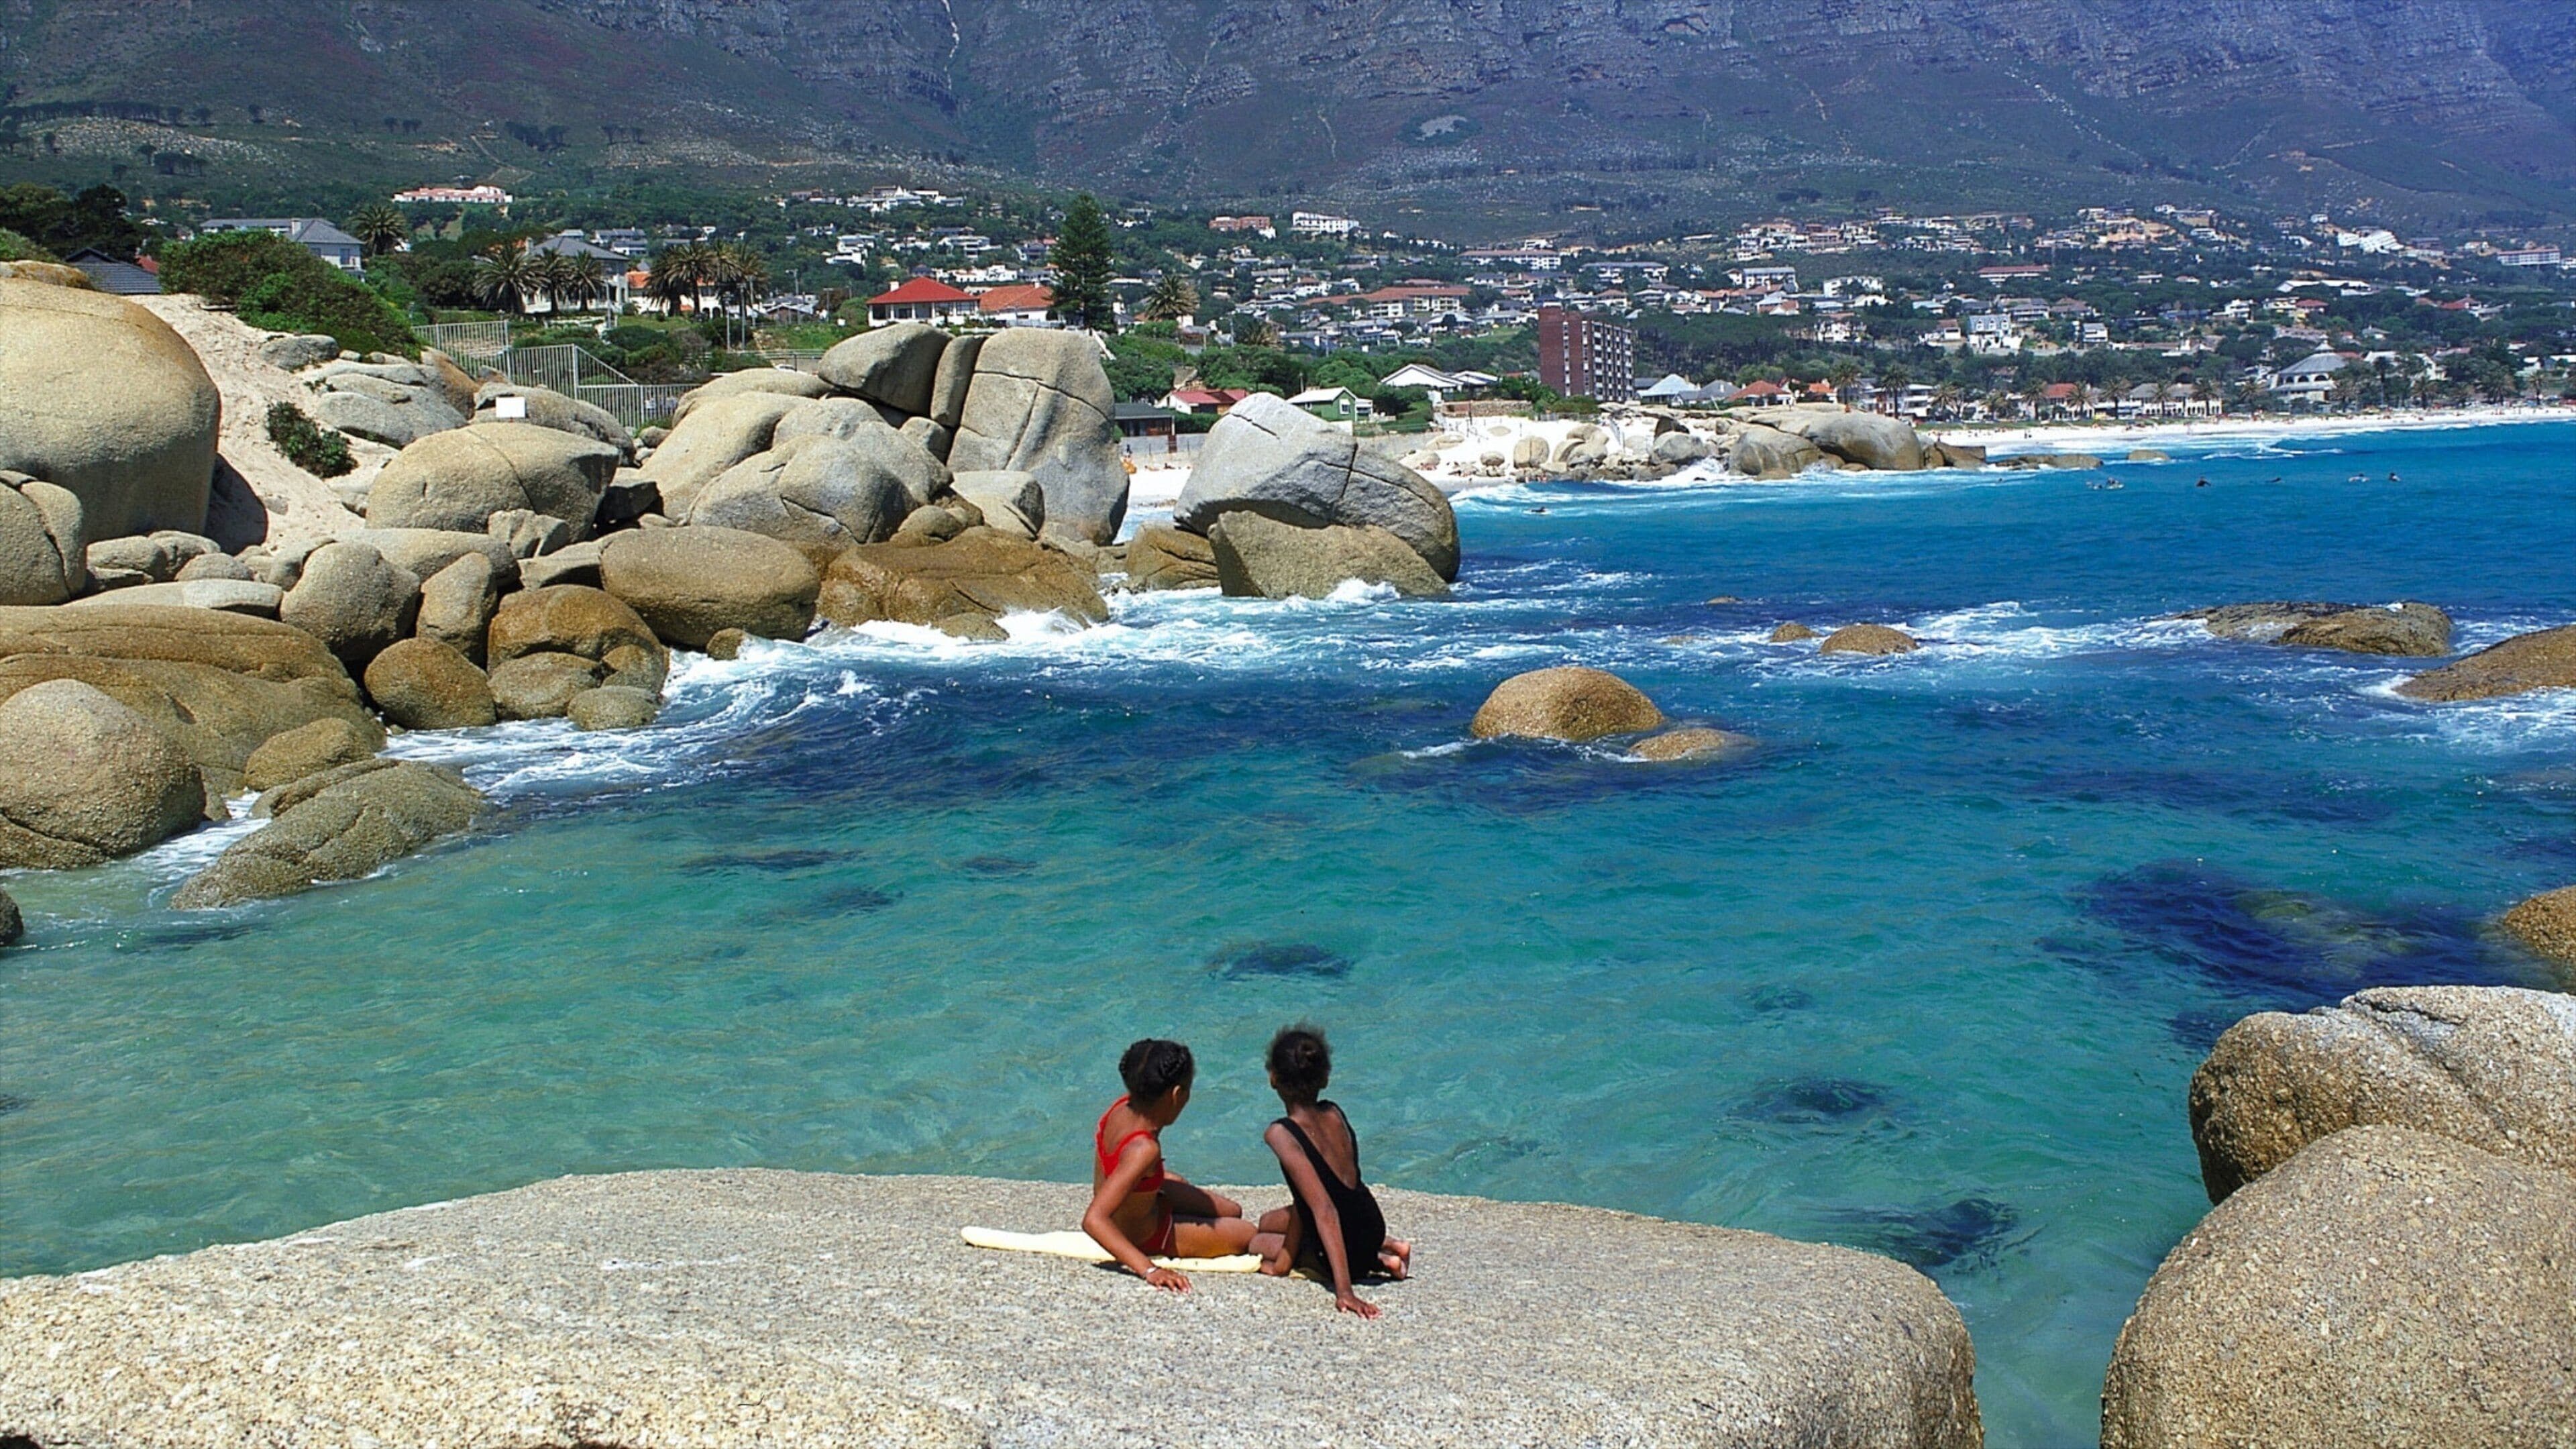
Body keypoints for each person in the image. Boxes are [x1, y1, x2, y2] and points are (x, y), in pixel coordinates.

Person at [1250, 1025, 1411, 1317]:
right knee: (1266, 1220)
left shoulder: (1280, 1134)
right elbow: (1313, 1198)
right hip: (1371, 1225)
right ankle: (1386, 1250)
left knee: (1256, 1241)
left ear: (1273, 1078)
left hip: (1346, 1249)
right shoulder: (1334, 1113)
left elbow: (1324, 1209)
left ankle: (1377, 1260)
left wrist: (1345, 1291)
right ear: (1325, 1077)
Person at [1082, 1038, 1256, 1293]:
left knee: (1232, 1209)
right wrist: (1150, 1269)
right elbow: (1094, 1220)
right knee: (1247, 1234)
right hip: (1145, 1234)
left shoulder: (1123, 1106)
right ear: (1176, 1094)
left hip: (1142, 1198)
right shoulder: (1144, 1149)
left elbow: (1121, 1162)